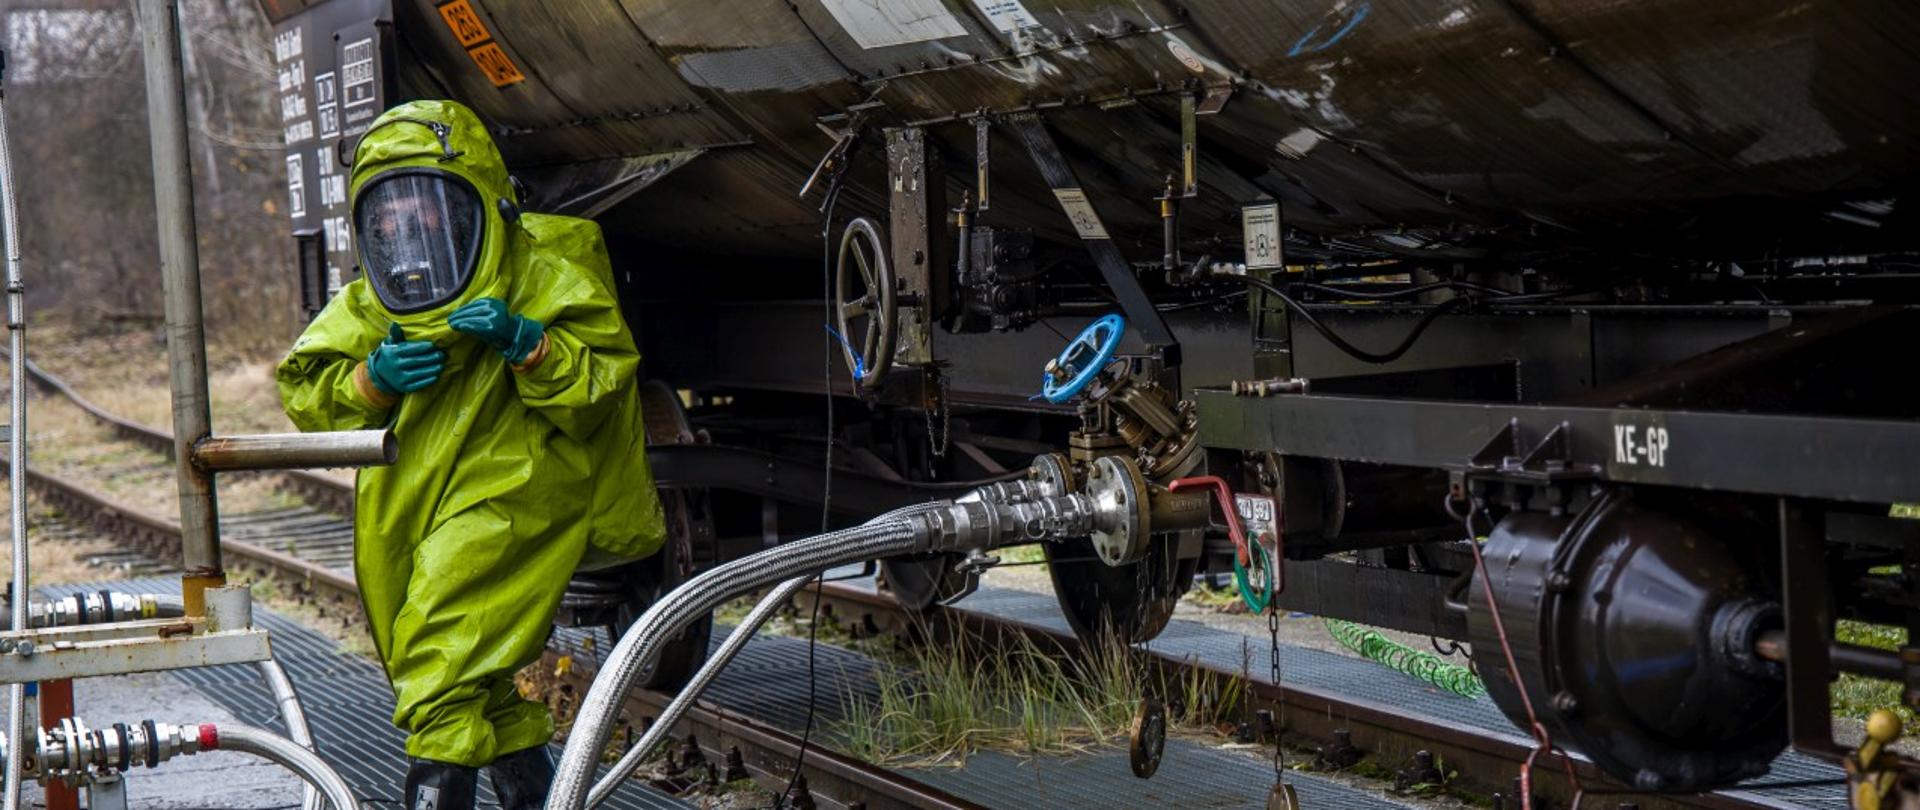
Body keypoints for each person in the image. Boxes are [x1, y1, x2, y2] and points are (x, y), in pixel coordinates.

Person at [277, 99, 665, 810]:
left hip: (520, 483)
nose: (406, 228)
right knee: (475, 676)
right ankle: (536, 797)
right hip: (409, 496)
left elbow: (599, 385)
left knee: (439, 660)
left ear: (481, 205)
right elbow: (308, 392)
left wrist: (529, 344)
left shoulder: (545, 276)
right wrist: (371, 380)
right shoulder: (374, 303)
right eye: (388, 217)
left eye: (424, 209)